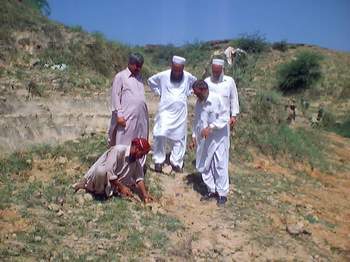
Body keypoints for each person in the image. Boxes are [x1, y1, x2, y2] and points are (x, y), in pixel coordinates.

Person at [148, 55, 197, 173]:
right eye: (175, 69)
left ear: (183, 68)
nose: (176, 72)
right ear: (171, 66)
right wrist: (158, 91)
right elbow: (151, 81)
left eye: (179, 70)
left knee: (179, 138)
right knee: (160, 133)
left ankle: (176, 162)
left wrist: (188, 92)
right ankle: (159, 160)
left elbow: (196, 83)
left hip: (180, 112)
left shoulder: (187, 76)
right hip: (165, 111)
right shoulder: (164, 75)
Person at [73, 138, 153, 203]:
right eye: (142, 154)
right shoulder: (118, 150)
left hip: (113, 186)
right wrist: (122, 187)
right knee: (101, 171)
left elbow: (139, 178)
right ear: (136, 148)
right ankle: (98, 193)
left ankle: (107, 193)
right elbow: (109, 171)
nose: (141, 157)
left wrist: (145, 194)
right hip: (100, 180)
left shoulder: (135, 161)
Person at [189, 80, 229, 206]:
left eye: (197, 93)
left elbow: (224, 117)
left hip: (218, 138)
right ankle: (211, 190)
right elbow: (197, 120)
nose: (196, 96)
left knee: (219, 165)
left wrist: (211, 127)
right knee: (204, 164)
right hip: (204, 140)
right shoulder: (199, 102)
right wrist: (194, 136)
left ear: (203, 90)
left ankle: (222, 194)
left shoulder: (217, 99)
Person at [107, 53, 149, 168]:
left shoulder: (140, 78)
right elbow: (115, 96)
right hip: (126, 118)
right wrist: (119, 115)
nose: (139, 68)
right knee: (123, 143)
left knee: (138, 143)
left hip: (140, 118)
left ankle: (136, 168)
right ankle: (120, 167)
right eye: (136, 65)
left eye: (140, 66)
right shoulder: (120, 77)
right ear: (130, 63)